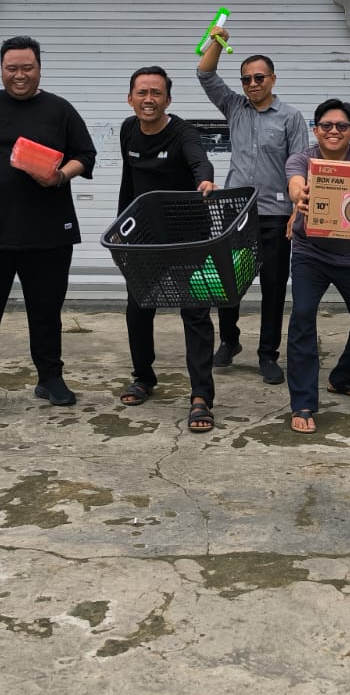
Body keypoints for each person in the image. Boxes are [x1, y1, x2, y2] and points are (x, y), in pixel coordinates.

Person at [0, 36, 97, 413]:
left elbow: (86, 155)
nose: (19, 75)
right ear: (1, 69)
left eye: (27, 67)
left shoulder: (59, 110)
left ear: (39, 68)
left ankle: (50, 378)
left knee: (46, 311)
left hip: (47, 233)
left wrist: (61, 175)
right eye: (12, 68)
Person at [197, 27, 309, 383]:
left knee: (274, 285)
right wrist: (215, 40)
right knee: (228, 281)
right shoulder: (234, 107)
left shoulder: (290, 118)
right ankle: (230, 341)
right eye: (246, 79)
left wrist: (297, 212)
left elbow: (299, 166)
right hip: (236, 212)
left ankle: (268, 354)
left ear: (273, 79)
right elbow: (205, 73)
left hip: (276, 215)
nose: (252, 84)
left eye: (259, 77)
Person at [112, 66, 220, 433]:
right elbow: (130, 182)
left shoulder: (182, 133)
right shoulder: (128, 129)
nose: (149, 99)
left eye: (156, 93)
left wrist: (205, 177)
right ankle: (143, 377)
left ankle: (201, 396)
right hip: (145, 238)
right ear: (130, 98)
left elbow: (198, 159)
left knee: (195, 315)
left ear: (168, 100)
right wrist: (121, 227)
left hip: (189, 238)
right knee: (137, 309)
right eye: (141, 92)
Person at [284, 99, 350, 434]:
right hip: (309, 254)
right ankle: (302, 401)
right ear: (316, 129)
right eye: (326, 125)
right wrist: (299, 197)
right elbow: (295, 184)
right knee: (302, 318)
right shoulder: (302, 158)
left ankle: (342, 377)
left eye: (341, 126)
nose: (333, 131)